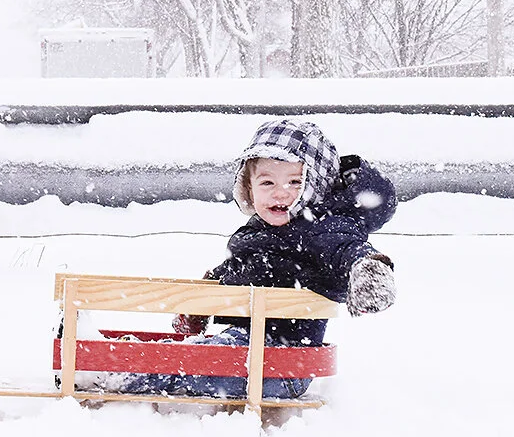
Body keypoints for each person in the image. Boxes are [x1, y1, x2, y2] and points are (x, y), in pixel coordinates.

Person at [126, 117, 398, 400]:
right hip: (250, 349)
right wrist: (202, 301)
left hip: (282, 365)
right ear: (249, 188)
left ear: (315, 187)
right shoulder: (258, 232)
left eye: (295, 181)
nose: (280, 191)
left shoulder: (321, 229)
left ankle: (117, 373)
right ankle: (125, 364)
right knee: (194, 358)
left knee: (188, 364)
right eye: (267, 182)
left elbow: (348, 250)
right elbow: (237, 270)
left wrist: (369, 269)